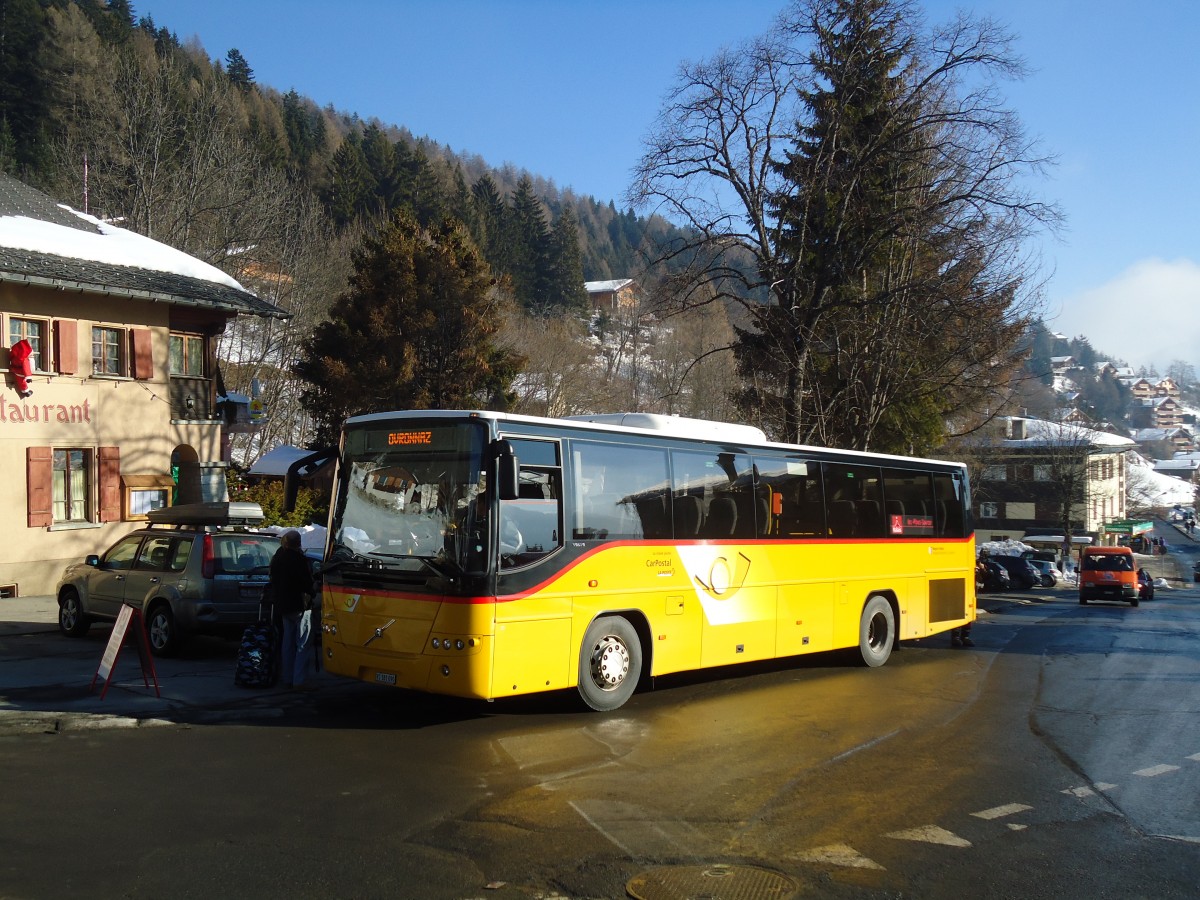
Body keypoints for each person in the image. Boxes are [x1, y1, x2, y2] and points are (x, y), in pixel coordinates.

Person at [270, 529, 315, 689]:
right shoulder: (299, 560)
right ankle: (300, 680)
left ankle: (287, 677)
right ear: (299, 543)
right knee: (302, 643)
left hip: (283, 605)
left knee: (287, 643)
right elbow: (306, 583)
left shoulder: (277, 558)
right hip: (299, 605)